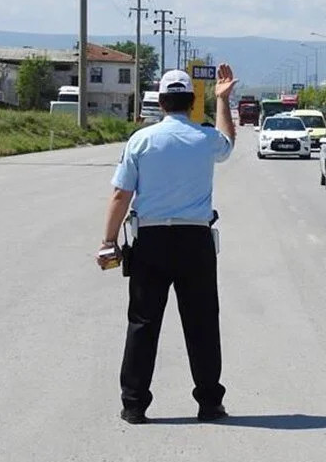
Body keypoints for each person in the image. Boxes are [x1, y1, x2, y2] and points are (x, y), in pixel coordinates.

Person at [96, 64, 238, 424]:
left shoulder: (141, 141)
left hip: (151, 240)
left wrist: (108, 241)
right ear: (192, 102)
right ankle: (209, 403)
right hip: (195, 240)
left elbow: (120, 194)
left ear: (160, 102)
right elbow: (228, 143)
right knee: (202, 323)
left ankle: (134, 405)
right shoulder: (204, 138)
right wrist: (223, 100)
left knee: (143, 323)